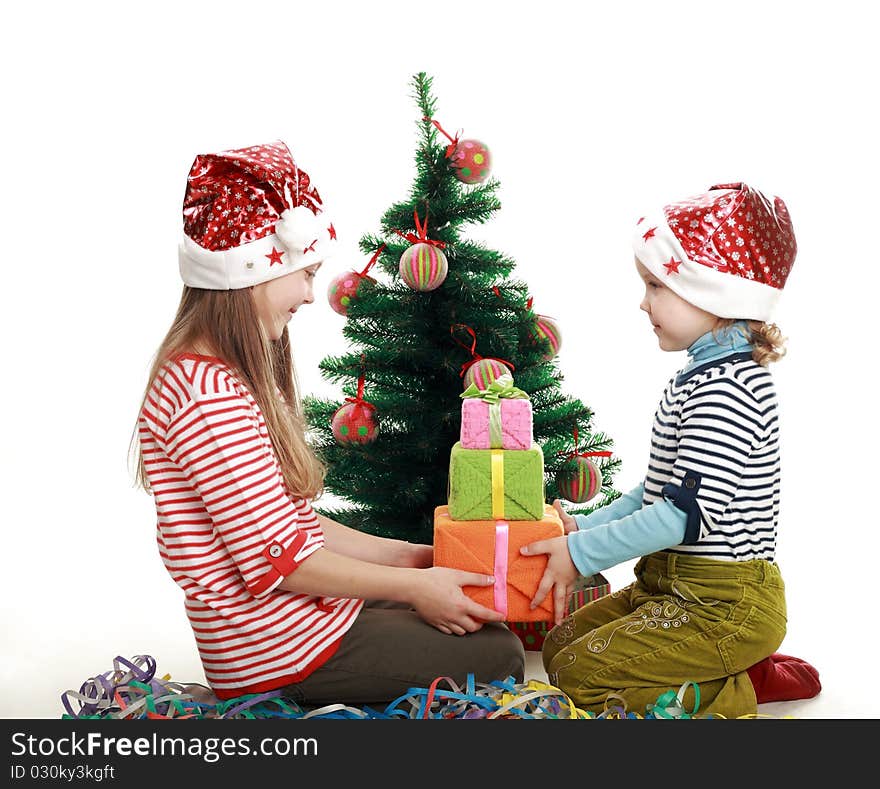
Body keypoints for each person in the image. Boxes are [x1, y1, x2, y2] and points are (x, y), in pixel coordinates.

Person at [133, 140, 524, 706]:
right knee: (499, 654)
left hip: (303, 627)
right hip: (279, 653)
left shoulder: (212, 378)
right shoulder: (206, 396)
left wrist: (410, 557)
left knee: (479, 625)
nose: (310, 296)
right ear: (251, 273)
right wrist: (415, 588)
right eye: (304, 274)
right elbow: (283, 562)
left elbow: (295, 528)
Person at [522, 182, 821, 718]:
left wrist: (580, 555)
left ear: (713, 294)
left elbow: (681, 518)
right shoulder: (700, 376)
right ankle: (723, 666)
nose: (643, 301)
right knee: (557, 648)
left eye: (657, 286)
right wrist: (585, 526)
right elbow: (657, 491)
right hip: (667, 585)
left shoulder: (729, 389)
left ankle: (740, 685)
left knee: (579, 674)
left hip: (723, 605)